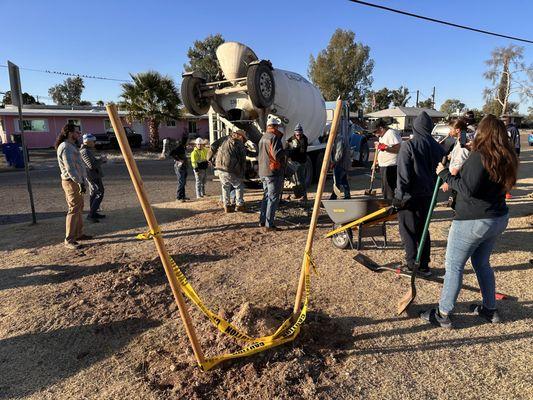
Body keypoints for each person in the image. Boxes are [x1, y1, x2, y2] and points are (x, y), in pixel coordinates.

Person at [420, 115, 518, 328]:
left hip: (474, 220)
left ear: (482, 132)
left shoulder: (479, 156)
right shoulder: (506, 156)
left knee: (454, 266)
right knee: (481, 263)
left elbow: (467, 189)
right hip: (496, 218)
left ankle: (442, 313)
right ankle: (489, 310)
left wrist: (444, 174)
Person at [393, 112, 445, 277]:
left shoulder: (409, 145)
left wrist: (399, 196)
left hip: (410, 197)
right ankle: (423, 265)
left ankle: (411, 264)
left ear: (415, 127)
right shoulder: (438, 147)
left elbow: (403, 175)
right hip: (429, 196)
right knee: (423, 230)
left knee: (408, 230)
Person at [55, 123, 92, 249]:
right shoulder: (66, 147)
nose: (79, 135)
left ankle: (78, 234)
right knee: (74, 209)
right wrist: (79, 182)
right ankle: (69, 239)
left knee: (79, 207)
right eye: (77, 132)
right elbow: (70, 168)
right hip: (71, 182)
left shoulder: (71, 146)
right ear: (70, 133)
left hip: (76, 181)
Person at [258, 116, 286, 230]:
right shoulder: (274, 137)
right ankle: (270, 225)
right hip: (272, 172)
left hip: (263, 171)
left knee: (266, 197)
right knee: (273, 198)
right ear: (275, 126)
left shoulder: (263, 138)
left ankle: (262, 221)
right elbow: (276, 155)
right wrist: (286, 151)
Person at [215, 130, 248, 212]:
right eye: (243, 139)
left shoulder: (224, 139)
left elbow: (213, 147)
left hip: (219, 167)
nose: (243, 141)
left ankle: (227, 205)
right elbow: (243, 159)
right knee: (238, 185)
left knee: (225, 186)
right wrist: (242, 173)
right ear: (240, 136)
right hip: (230, 168)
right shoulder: (239, 143)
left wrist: (209, 159)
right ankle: (240, 204)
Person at [441, 119, 470, 207]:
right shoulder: (459, 140)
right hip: (457, 177)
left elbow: (458, 163)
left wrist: (448, 181)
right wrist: (451, 155)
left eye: (451, 129)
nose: (449, 131)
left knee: (457, 205)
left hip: (458, 177)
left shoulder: (463, 141)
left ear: (457, 130)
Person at [371, 118, 402, 200]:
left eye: (375, 131)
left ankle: (390, 205)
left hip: (391, 166)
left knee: (389, 190)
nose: (374, 134)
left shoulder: (391, 133)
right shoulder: (382, 136)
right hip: (384, 165)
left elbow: (398, 149)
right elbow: (381, 150)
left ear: (381, 128)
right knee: (385, 188)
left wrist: (384, 147)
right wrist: (376, 162)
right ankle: (387, 202)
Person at [80, 133, 106, 223]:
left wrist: (99, 160)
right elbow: (91, 165)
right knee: (99, 193)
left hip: (93, 174)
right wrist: (101, 160)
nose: (95, 142)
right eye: (93, 141)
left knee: (94, 193)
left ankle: (93, 212)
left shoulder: (87, 150)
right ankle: (91, 214)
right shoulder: (85, 151)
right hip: (93, 175)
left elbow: (92, 163)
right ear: (88, 141)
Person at [329, 119, 351, 200]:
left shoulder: (339, 139)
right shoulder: (338, 138)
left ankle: (334, 196)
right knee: (343, 179)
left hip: (340, 163)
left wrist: (334, 162)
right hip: (342, 163)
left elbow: (339, 153)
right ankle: (347, 195)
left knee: (337, 180)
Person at [287, 123, 309, 201]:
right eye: (297, 134)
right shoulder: (292, 138)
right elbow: (288, 143)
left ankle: (304, 195)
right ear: (295, 133)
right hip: (294, 161)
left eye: (300, 134)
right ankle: (297, 194)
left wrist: (293, 150)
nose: (299, 136)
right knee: (294, 179)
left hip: (301, 162)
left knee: (301, 179)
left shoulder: (304, 139)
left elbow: (302, 151)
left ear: (302, 133)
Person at [170, 132, 189, 202]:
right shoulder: (180, 147)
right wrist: (179, 160)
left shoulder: (184, 147)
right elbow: (171, 153)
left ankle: (183, 196)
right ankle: (178, 197)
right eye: (188, 140)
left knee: (183, 182)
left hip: (184, 166)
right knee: (181, 182)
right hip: (179, 167)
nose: (189, 142)